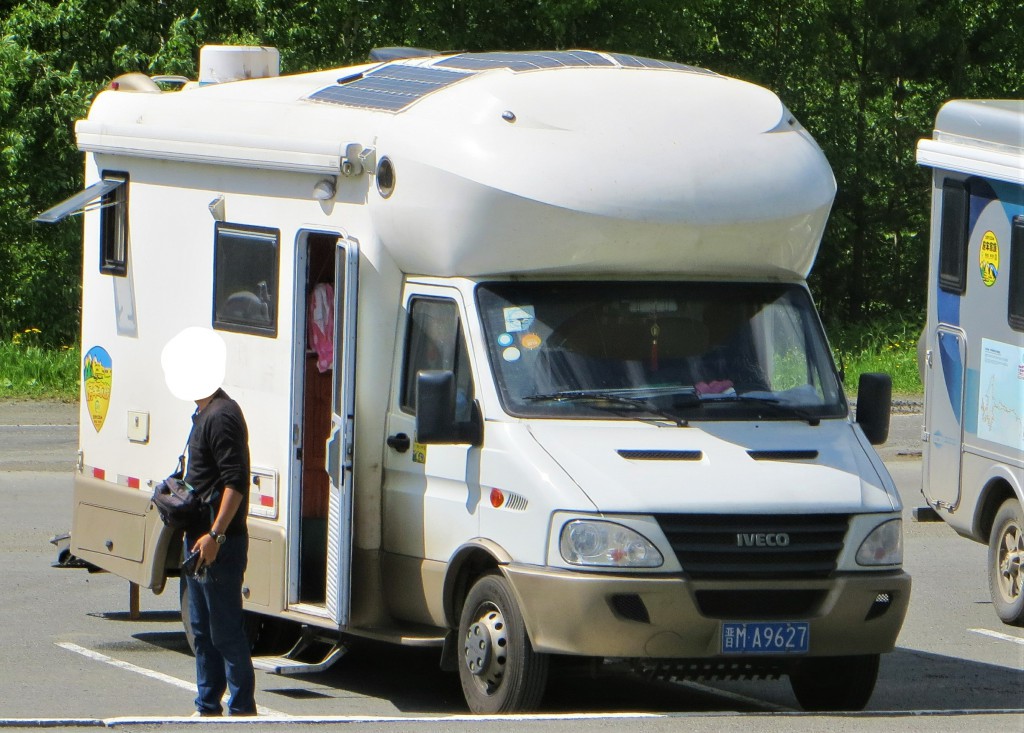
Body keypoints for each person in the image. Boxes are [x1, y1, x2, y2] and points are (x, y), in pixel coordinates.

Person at [161, 326, 256, 717]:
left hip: (218, 543)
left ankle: (242, 709)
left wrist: (215, 535)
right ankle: (206, 706)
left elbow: (236, 483)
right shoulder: (205, 413)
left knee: (225, 631)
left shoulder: (222, 417)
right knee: (201, 630)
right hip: (197, 540)